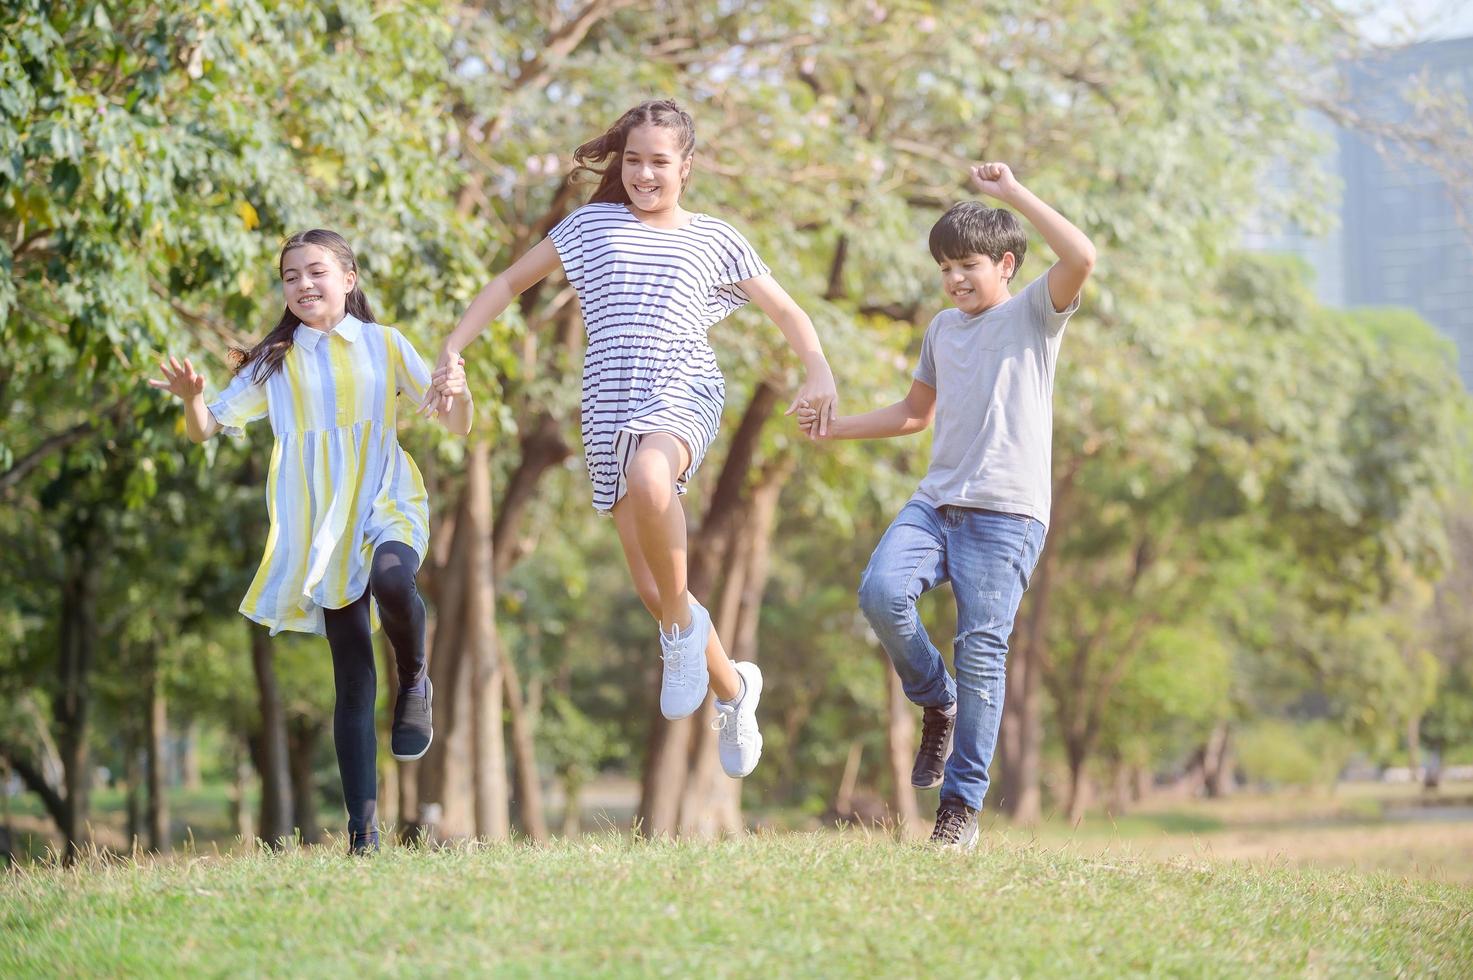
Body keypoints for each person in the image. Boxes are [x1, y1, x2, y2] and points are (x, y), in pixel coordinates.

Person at [426, 99, 838, 779]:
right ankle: (733, 689)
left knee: (655, 482)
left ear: (687, 166)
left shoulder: (713, 238)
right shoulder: (589, 226)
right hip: (607, 408)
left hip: (683, 388)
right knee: (653, 586)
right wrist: (453, 345)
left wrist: (817, 369)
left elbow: (786, 310)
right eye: (635, 160)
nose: (645, 173)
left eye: (660, 161)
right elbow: (507, 281)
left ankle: (679, 634)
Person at [798, 162, 1095, 848]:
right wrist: (834, 428)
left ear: (1005, 265)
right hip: (936, 503)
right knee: (879, 592)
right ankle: (936, 698)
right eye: (944, 268)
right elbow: (912, 414)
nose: (954, 279)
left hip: (1007, 514)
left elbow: (1081, 255)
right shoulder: (941, 329)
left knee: (982, 654)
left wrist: (1013, 192)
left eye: (966, 265)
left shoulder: (1034, 315)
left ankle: (959, 812)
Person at [149, 229, 472, 852]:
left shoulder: (384, 344)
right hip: (321, 528)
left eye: (316, 271)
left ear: (349, 279)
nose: (303, 284)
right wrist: (192, 400)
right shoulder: (273, 362)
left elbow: (455, 422)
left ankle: (415, 678)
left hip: (386, 499)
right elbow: (205, 428)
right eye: (291, 276)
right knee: (350, 675)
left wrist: (458, 392)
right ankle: (362, 836)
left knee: (394, 579)